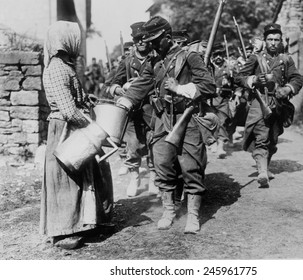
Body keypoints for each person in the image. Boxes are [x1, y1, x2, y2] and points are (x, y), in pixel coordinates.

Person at [116, 16, 216, 234]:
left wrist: (180, 89)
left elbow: (209, 86)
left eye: (154, 40)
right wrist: (125, 101)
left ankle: (193, 216)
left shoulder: (190, 56)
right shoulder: (155, 62)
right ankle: (169, 211)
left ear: (168, 37)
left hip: (187, 120)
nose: (150, 44)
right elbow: (141, 85)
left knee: (192, 168)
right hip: (162, 121)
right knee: (162, 166)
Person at [40, 21, 114, 250]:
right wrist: (92, 127)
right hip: (65, 128)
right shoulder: (57, 69)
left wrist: (85, 99)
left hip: (72, 126)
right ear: (65, 40)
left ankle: (88, 222)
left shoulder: (64, 65)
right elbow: (68, 110)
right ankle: (64, 231)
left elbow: (73, 100)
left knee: (88, 174)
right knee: (66, 179)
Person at [234, 23, 303, 188]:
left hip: (278, 103)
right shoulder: (255, 58)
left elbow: (297, 79)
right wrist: (254, 80)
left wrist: (288, 88)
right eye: (270, 39)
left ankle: (265, 165)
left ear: (280, 41)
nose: (273, 43)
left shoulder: (286, 59)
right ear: (265, 40)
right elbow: (239, 77)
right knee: (261, 135)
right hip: (259, 101)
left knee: (273, 136)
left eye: (276, 40)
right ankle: (262, 171)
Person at [108, 22, 158, 197]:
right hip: (132, 112)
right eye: (138, 39)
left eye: (144, 38)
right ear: (134, 41)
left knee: (153, 144)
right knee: (133, 146)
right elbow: (113, 82)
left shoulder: (157, 59)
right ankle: (134, 179)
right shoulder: (127, 62)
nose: (142, 42)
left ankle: (153, 178)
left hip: (151, 109)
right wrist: (118, 89)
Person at [209, 43, 234, 158]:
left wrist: (229, 83)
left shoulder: (229, 67)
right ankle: (213, 141)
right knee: (211, 122)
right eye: (216, 54)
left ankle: (221, 145)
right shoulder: (208, 67)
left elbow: (237, 82)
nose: (218, 57)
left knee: (222, 122)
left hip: (224, 99)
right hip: (210, 99)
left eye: (220, 54)